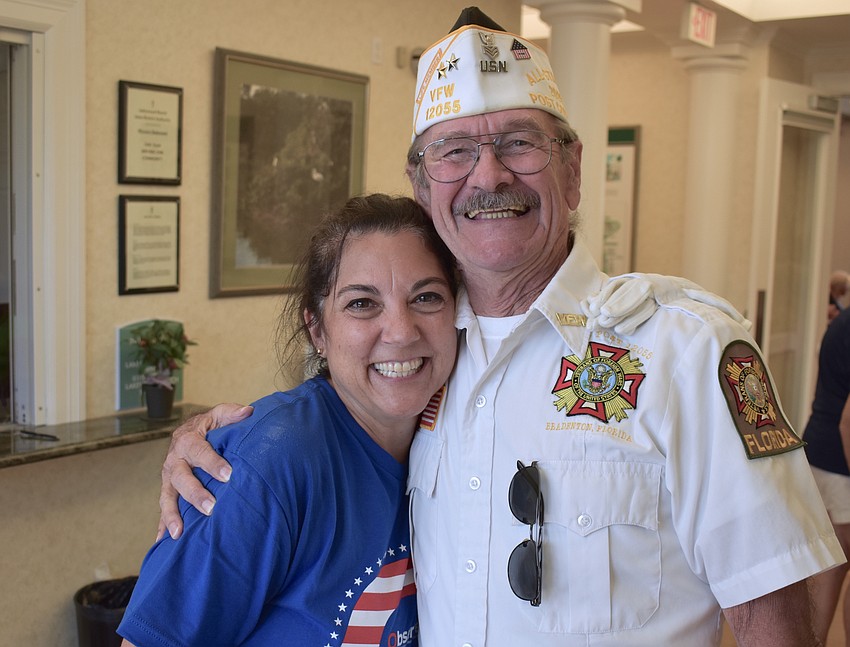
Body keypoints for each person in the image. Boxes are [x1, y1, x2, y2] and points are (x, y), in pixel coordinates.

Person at [155, 8, 843, 646]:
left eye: (520, 142)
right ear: (424, 189)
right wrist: (219, 447)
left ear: (573, 172)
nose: (488, 174)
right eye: (454, 151)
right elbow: (317, 435)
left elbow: (772, 614)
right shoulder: (419, 355)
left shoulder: (684, 350)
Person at [117, 194, 459, 645]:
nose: (400, 330)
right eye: (361, 304)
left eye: (427, 297)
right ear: (317, 330)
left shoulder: (461, 434)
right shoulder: (269, 463)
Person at [805, 305, 850, 646]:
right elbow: (848, 421)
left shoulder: (844, 321)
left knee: (830, 567)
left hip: (823, 454)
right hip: (841, 464)